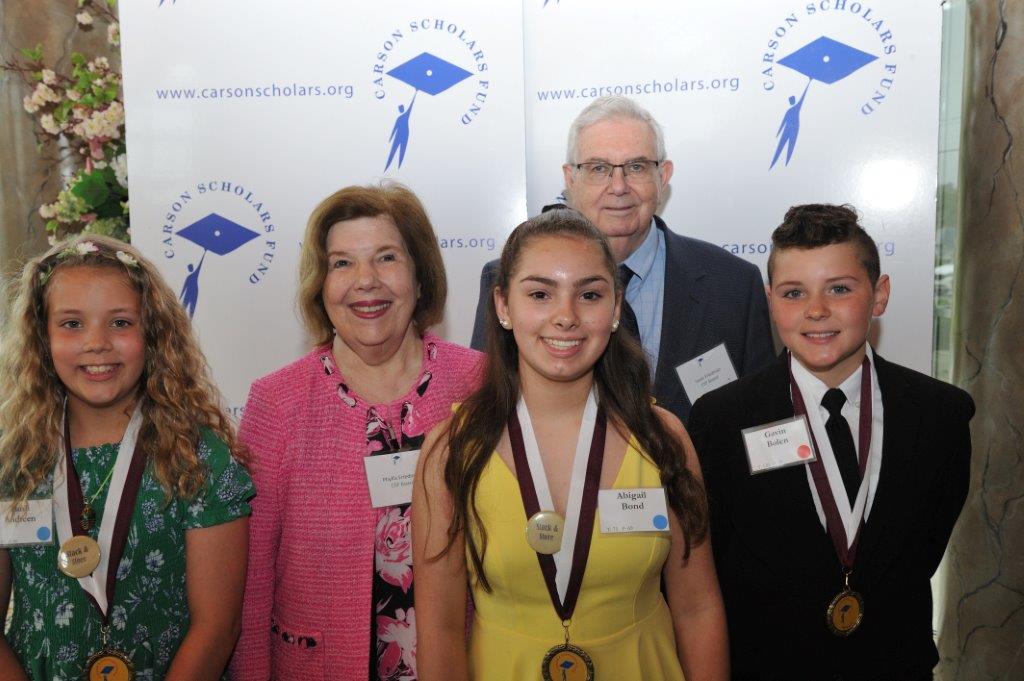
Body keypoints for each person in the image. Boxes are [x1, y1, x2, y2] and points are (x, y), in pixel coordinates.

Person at [414, 209, 728, 681]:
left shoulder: (663, 439)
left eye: (589, 295)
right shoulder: (451, 452)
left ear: (616, 308)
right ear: (503, 306)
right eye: (540, 294)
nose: (566, 317)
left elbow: (697, 607)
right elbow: (438, 630)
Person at [689, 204, 974, 680]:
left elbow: (923, 551)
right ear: (770, 301)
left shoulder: (940, 415)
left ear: (879, 295)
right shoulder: (721, 420)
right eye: (794, 293)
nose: (816, 310)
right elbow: (711, 569)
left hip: (892, 664)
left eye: (839, 289)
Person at [231, 183, 482, 681]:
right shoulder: (276, 402)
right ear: (321, 286)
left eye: (386, 257)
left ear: (420, 276)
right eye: (342, 263)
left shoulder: (479, 383)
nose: (365, 281)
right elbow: (251, 580)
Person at [0, 235, 254, 680]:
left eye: (120, 322)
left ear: (152, 334)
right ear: (42, 337)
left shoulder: (196, 458)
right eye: (72, 323)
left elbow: (216, 628)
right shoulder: (12, 462)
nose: (97, 343)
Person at [470, 95, 774, 424]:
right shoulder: (507, 279)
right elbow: (490, 406)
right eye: (598, 168)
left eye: (637, 167)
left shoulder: (734, 285)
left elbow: (762, 424)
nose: (618, 187)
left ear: (663, 176)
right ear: (570, 179)